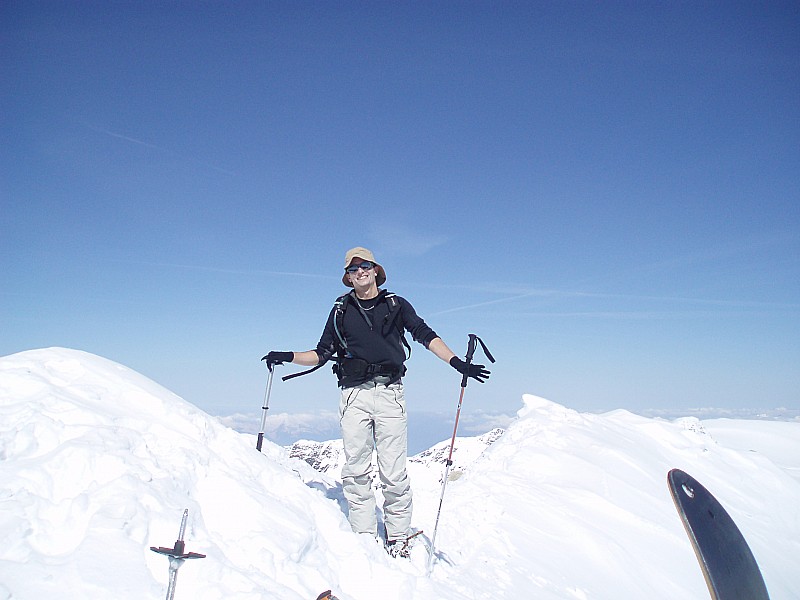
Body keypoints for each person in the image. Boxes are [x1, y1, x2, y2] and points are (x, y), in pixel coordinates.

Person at [264, 246, 490, 557]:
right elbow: (321, 353)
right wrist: (287, 356)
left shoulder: (396, 305)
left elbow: (425, 335)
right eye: (353, 269)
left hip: (389, 393)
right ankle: (364, 534)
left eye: (365, 266)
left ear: (375, 270)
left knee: (393, 472)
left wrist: (456, 363)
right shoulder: (341, 310)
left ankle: (397, 537)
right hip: (354, 394)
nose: (360, 272)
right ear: (348, 277)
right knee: (356, 469)